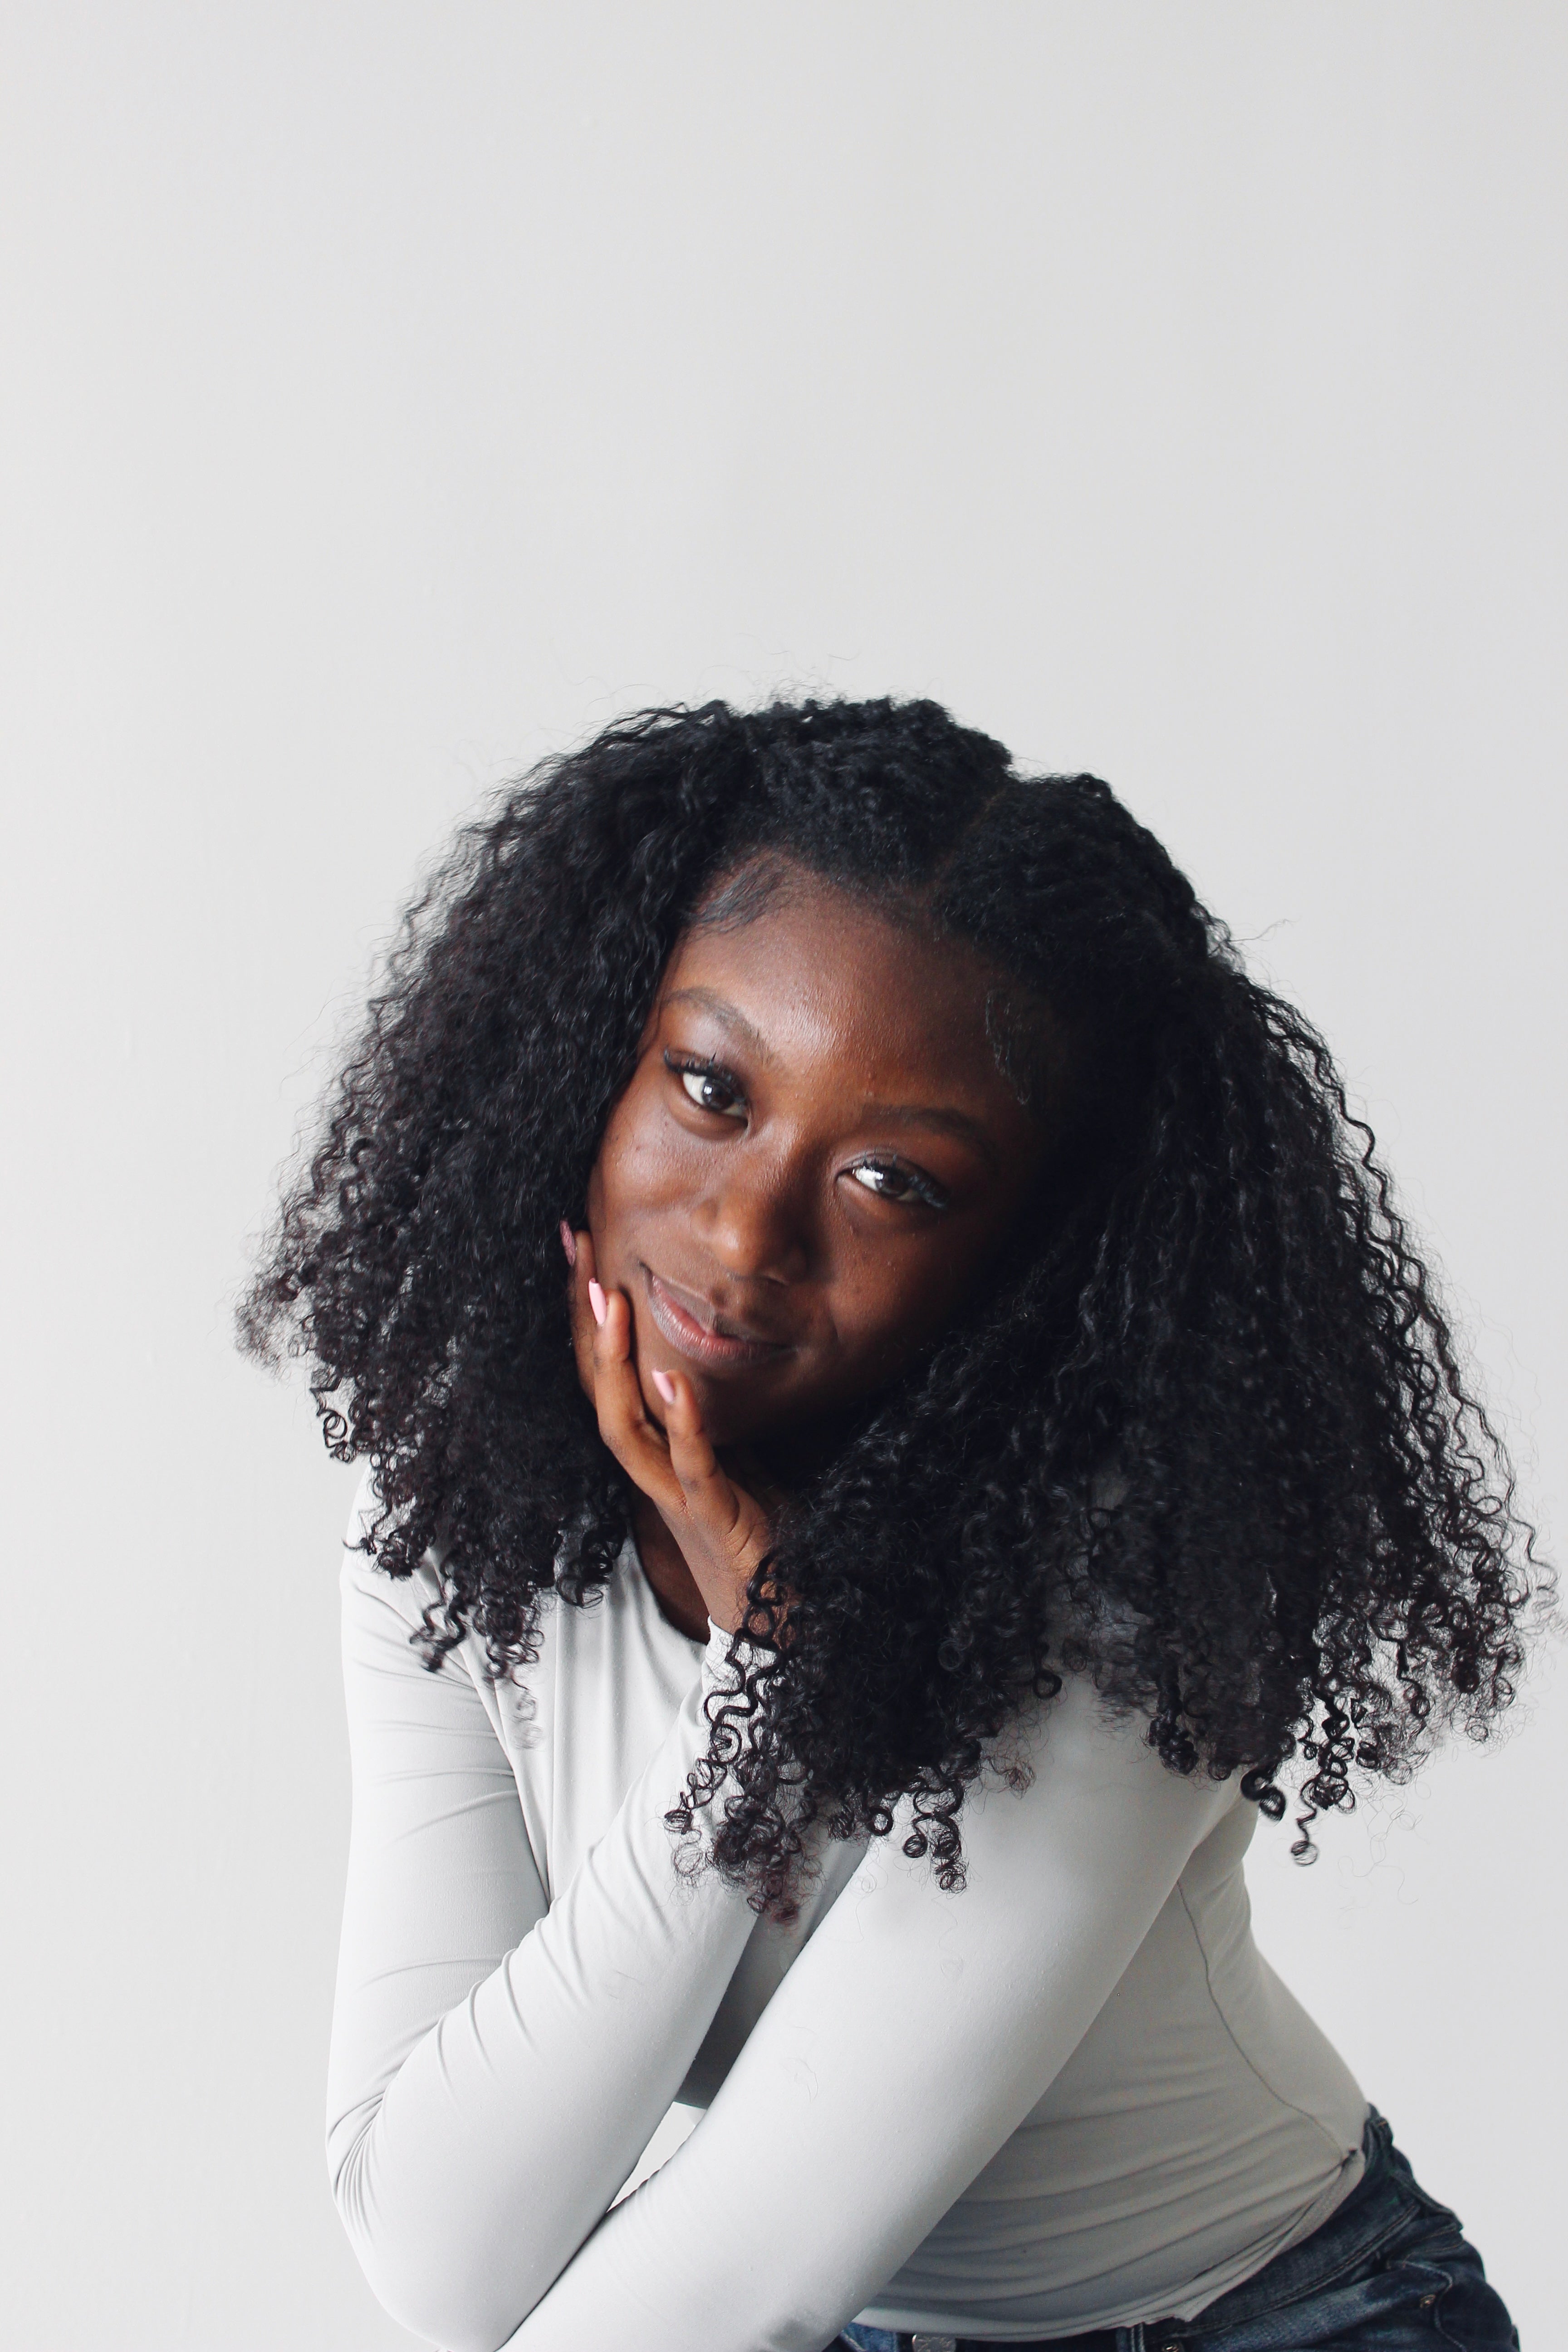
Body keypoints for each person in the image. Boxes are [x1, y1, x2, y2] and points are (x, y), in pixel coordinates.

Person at [240, 697, 1538, 2352]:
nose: (742, 1229)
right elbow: (442, 2250)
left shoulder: (1120, 1593)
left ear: (1038, 1253)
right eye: (711, 1085)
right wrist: (767, 1696)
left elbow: (749, 2279)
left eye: (895, 1182)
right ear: (592, 1053)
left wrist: (794, 1662)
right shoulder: (457, 1491)